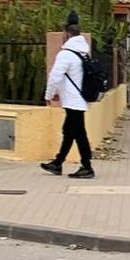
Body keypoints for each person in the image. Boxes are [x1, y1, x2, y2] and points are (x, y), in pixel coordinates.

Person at [41, 13, 96, 179]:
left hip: (73, 101)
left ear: (66, 34)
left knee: (78, 134)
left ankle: (86, 167)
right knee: (70, 132)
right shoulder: (83, 53)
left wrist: (49, 95)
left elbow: (55, 76)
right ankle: (58, 163)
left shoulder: (66, 54)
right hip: (79, 100)